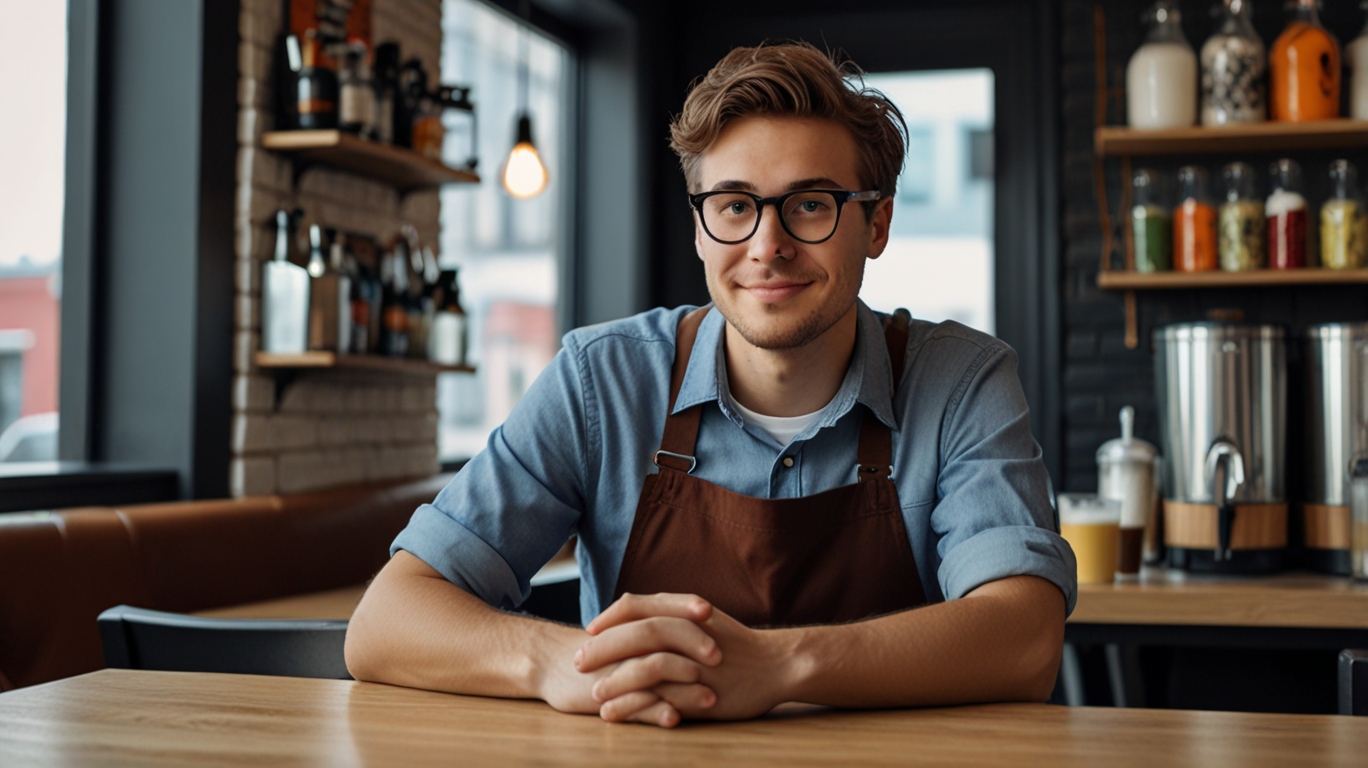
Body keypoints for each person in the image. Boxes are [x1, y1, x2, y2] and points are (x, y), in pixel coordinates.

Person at [345, 41, 1077, 728]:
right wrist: (559, 662)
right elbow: (386, 622)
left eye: (811, 204)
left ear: (876, 225)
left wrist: (783, 665)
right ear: (700, 231)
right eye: (734, 206)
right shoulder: (602, 379)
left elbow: (1025, 638)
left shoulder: (963, 382)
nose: (767, 245)